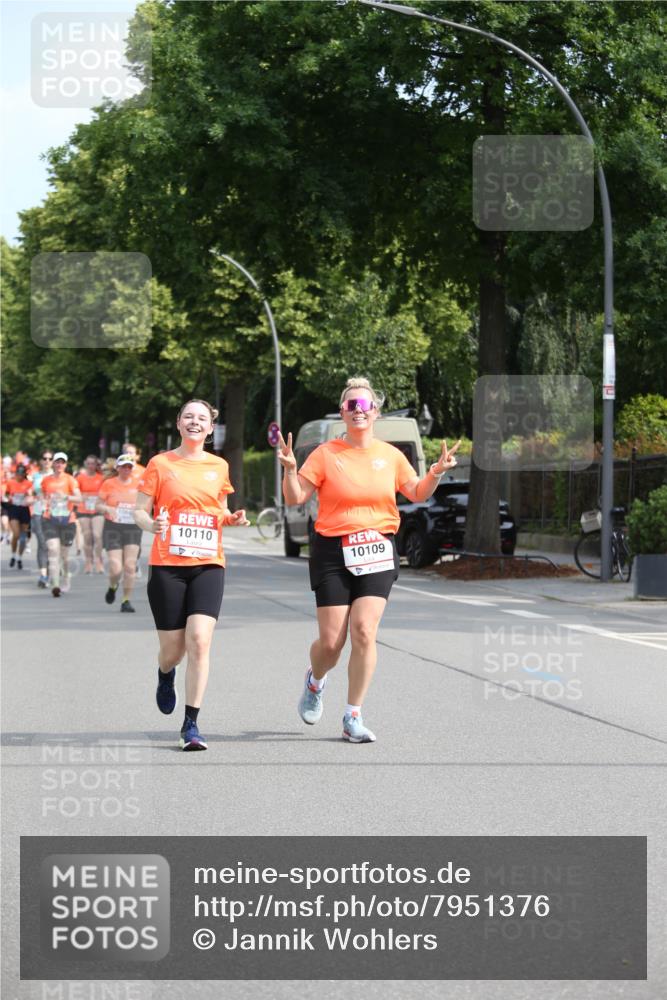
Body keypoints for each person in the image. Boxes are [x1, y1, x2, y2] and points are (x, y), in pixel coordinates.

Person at [279, 376, 461, 743]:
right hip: (332, 549)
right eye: (351, 406)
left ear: (375, 412)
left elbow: (415, 491)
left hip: (377, 547)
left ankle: (352, 716)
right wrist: (287, 468)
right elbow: (295, 498)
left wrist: (436, 473)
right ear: (343, 414)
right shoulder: (325, 454)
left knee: (364, 630)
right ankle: (315, 682)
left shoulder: (391, 455)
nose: (358, 411)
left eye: (364, 406)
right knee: (331, 644)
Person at [134, 399, 249, 752]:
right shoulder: (160, 464)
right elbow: (139, 510)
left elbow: (220, 511)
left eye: (202, 418)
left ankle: (191, 724)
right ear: (179, 424)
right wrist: (152, 524)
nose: (195, 422)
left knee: (199, 640)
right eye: (189, 416)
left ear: (211, 427)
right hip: (168, 565)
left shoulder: (219, 465)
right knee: (173, 650)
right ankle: (165, 674)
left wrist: (233, 519)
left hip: (208, 564)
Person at [96, 454, 142, 612]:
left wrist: (142, 513)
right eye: (123, 466)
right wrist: (107, 508)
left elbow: (146, 505)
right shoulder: (109, 484)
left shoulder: (139, 484)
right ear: (117, 468)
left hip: (132, 527)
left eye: (129, 467)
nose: (126, 469)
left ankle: (126, 600)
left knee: (130, 566)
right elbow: (97, 505)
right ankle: (113, 586)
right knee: (116, 567)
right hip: (113, 527)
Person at [41, 452, 82, 597]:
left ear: (66, 465)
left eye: (62, 462)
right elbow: (42, 496)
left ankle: (66, 578)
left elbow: (79, 498)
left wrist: (67, 497)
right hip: (50, 519)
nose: (59, 465)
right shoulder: (46, 481)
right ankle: (55, 585)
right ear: (53, 463)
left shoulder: (70, 480)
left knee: (64, 555)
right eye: (57, 462)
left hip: (67, 520)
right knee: (53, 550)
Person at [76, 455, 105, 573]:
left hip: (97, 510)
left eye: (93, 463)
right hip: (84, 509)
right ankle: (88, 561)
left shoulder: (101, 478)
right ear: (85, 464)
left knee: (97, 536)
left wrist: (99, 498)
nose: (91, 466)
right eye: (88, 463)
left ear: (96, 465)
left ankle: (98, 561)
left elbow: (106, 493)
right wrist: (82, 496)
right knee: (87, 537)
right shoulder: (80, 478)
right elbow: (75, 493)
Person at [3, 464, 33, 569]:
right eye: (18, 473)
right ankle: (13, 555)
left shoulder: (28, 483)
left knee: (23, 538)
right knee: (16, 534)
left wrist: (28, 495)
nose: (19, 476)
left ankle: (19, 558)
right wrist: (7, 498)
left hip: (24, 510)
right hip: (14, 509)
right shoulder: (10, 482)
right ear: (15, 474)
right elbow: (6, 494)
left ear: (24, 474)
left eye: (21, 474)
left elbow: (31, 495)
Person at [30, 450, 54, 588]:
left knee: (53, 545)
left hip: (55, 513)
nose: (47, 461)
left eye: (50, 459)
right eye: (44, 458)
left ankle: (53, 570)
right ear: (41, 460)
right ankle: (43, 575)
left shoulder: (57, 476)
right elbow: (31, 493)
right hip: (38, 512)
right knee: (42, 543)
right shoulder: (36, 476)